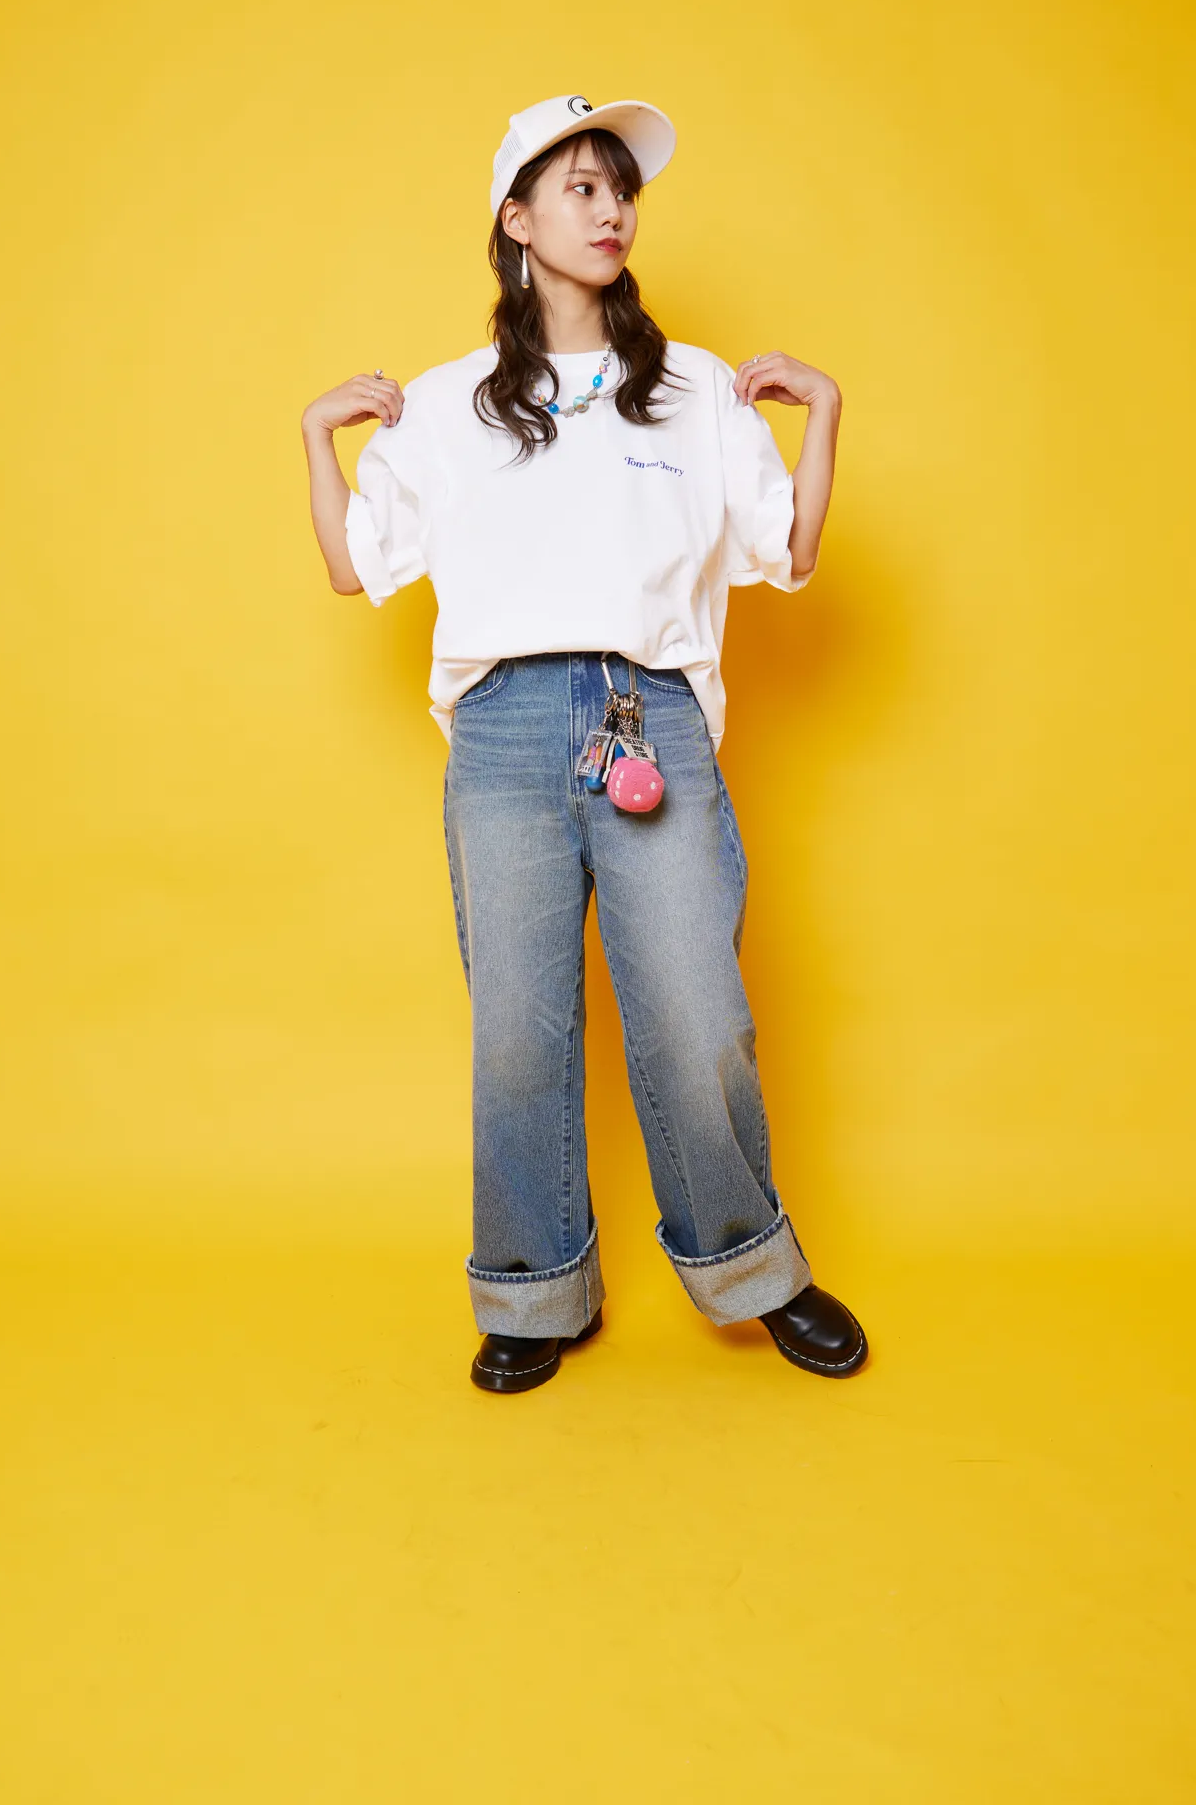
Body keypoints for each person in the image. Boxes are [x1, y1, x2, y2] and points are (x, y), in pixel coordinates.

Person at [302, 93, 868, 1394]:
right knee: (519, 1030)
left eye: (624, 191)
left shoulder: (696, 389)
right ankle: (531, 1290)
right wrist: (314, 440)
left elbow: (788, 553)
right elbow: (352, 567)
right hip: (503, 730)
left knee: (698, 1016)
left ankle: (755, 1273)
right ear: (516, 219)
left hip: (645, 714)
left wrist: (826, 411)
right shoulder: (446, 405)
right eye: (582, 188)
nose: (612, 212)